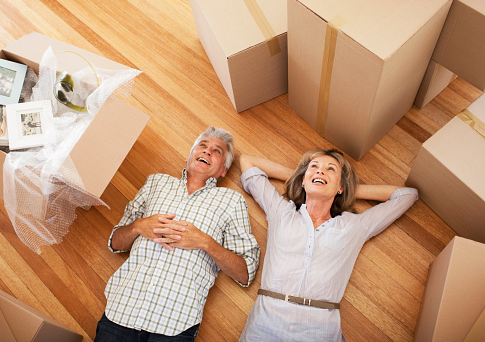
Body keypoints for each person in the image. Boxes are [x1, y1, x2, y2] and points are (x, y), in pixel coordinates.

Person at [95, 126, 260, 342]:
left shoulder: (231, 201)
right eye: (202, 146)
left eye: (217, 151)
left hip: (175, 324)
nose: (207, 151)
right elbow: (115, 243)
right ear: (189, 156)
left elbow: (245, 274)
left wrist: (205, 242)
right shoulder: (156, 182)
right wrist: (138, 226)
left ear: (223, 171)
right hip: (121, 312)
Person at [238, 148, 418, 341]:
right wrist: (306, 179)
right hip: (266, 322)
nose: (320, 171)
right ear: (303, 180)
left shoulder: (354, 226)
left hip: (319, 328)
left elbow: (407, 195)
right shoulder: (281, 212)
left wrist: (343, 189)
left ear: (341, 187)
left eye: (330, 169)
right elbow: (247, 162)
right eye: (314, 167)